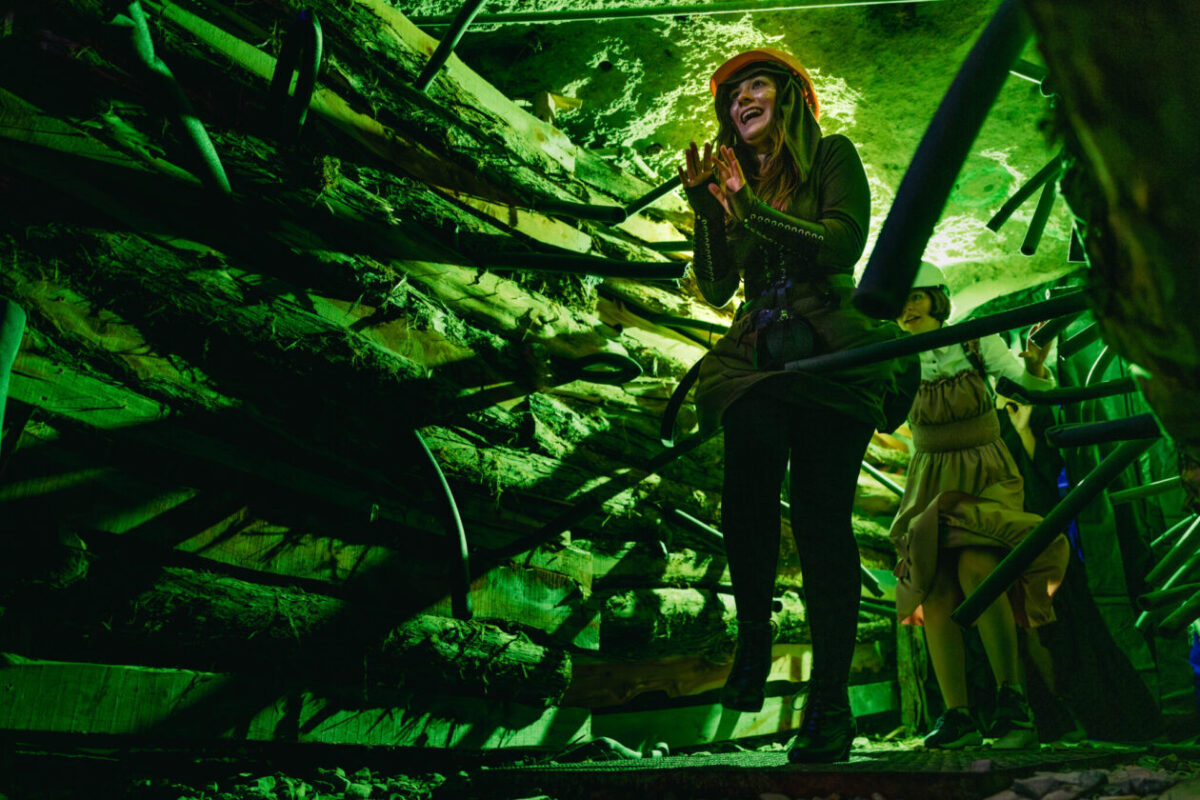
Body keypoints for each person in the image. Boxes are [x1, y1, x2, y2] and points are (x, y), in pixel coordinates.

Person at [678, 47, 918, 763]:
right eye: (731, 95)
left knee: (820, 519)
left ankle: (830, 704)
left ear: (789, 99)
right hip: (760, 353)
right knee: (744, 465)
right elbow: (721, 288)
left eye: (755, 86)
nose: (739, 100)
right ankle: (754, 637)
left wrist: (749, 209)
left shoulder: (833, 156)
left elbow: (841, 245)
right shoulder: (735, 181)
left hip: (834, 346)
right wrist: (707, 208)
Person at [889, 264, 1071, 750]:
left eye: (918, 296)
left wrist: (1034, 364)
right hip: (928, 476)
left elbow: (1028, 389)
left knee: (979, 567)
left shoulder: (974, 340)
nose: (907, 307)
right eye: (900, 298)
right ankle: (958, 715)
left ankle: (1014, 705)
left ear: (937, 298)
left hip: (985, 470)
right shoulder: (893, 354)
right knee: (935, 584)